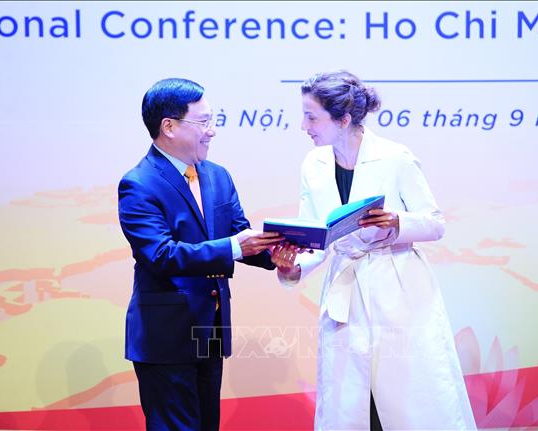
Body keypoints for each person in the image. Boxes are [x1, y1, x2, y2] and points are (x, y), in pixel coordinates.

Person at [271, 71, 477, 430]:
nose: (304, 126)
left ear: (343, 120)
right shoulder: (313, 165)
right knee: (350, 404)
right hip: (346, 291)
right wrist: (293, 268)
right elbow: (317, 237)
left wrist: (396, 221)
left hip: (398, 286)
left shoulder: (395, 157)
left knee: (408, 401)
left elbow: (435, 222)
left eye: (311, 117)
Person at [118, 78, 282, 431]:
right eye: (204, 121)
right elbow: (161, 255)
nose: (212, 131)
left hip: (211, 332)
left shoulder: (217, 176)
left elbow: (238, 232)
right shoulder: (139, 184)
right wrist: (235, 246)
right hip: (166, 337)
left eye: (213, 120)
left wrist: (278, 255)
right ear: (169, 127)